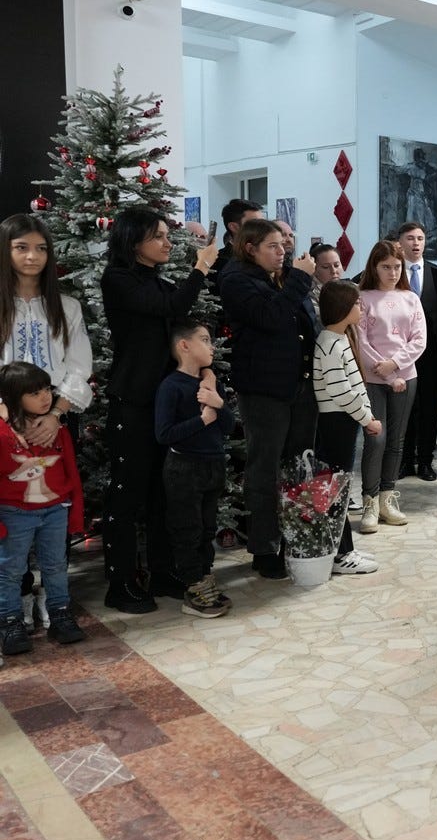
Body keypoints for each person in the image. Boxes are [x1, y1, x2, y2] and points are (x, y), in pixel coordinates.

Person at [101, 210, 220, 612]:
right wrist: (201, 268)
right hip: (133, 400)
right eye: (159, 237)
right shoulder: (118, 280)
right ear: (134, 241)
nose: (168, 243)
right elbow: (170, 305)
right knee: (127, 494)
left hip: (166, 401)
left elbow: (182, 335)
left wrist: (207, 372)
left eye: (168, 235)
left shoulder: (160, 282)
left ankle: (164, 572)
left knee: (162, 493)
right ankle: (120, 583)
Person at [0, 214, 94, 625]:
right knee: (11, 510)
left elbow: (80, 366)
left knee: (54, 501)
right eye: (21, 247)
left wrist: (55, 413)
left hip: (55, 413)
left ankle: (54, 599)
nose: (32, 256)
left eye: (40, 248)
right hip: (4, 419)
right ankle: (15, 598)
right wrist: (5, 413)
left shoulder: (66, 307)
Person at [218, 218, 318, 579]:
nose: (283, 251)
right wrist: (300, 279)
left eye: (284, 244)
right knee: (265, 468)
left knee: (299, 464)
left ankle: (297, 538)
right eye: (273, 246)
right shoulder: (236, 279)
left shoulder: (281, 275)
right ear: (250, 248)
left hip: (299, 385)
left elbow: (303, 322)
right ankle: (264, 547)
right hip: (263, 389)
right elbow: (272, 317)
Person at [0, 362, 87, 654]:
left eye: (47, 389)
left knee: (56, 565)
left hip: (54, 510)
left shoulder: (57, 430)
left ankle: (60, 613)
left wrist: (72, 509)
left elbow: (71, 473)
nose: (45, 397)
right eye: (35, 393)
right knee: (10, 569)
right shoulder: (2, 433)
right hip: (14, 513)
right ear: (14, 397)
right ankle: (10, 621)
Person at [154, 321, 236, 618]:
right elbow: (164, 434)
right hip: (184, 467)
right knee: (188, 529)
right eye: (204, 339)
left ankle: (205, 579)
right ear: (184, 345)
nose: (211, 346)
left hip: (213, 465)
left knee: (207, 528)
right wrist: (202, 420)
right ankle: (193, 587)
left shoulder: (212, 384)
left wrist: (218, 404)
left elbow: (228, 427)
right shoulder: (171, 386)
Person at [356, 240, 426, 532]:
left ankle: (387, 498)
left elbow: (419, 339)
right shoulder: (363, 298)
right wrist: (385, 371)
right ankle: (369, 502)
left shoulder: (410, 298)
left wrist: (395, 364)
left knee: (396, 441)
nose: (393, 272)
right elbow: (360, 341)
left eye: (397, 267)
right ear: (374, 267)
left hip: (405, 376)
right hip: (374, 378)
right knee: (376, 439)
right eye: (386, 267)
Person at [313, 279, 383, 573]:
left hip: (345, 421)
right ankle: (339, 555)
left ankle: (345, 548)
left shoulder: (339, 338)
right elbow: (340, 391)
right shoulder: (330, 342)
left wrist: (364, 415)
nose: (360, 307)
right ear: (341, 307)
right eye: (355, 303)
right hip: (336, 423)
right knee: (334, 488)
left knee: (338, 488)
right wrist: (367, 419)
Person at [394, 223, 437, 481]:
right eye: (410, 238)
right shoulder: (393, 273)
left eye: (420, 238)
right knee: (404, 407)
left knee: (429, 407)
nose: (416, 243)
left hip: (431, 353)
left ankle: (425, 460)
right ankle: (405, 460)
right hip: (399, 353)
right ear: (400, 242)